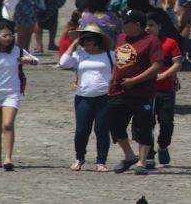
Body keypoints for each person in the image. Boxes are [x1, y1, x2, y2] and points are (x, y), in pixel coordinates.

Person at [108, 10, 164, 176]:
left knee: (143, 128)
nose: (122, 25)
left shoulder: (151, 41)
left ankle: (142, 161)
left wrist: (135, 80)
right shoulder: (120, 38)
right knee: (115, 125)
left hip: (142, 92)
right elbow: (117, 62)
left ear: (137, 25)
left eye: (126, 22)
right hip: (119, 90)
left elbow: (156, 66)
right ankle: (129, 156)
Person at [0, 23, 39, 171]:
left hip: (12, 92)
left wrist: (29, 61)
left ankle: (8, 158)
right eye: (4, 35)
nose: (8, 38)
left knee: (8, 124)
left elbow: (36, 61)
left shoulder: (17, 50)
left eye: (10, 35)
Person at [59, 23, 115, 172]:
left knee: (101, 129)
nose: (86, 42)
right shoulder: (80, 55)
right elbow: (63, 63)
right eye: (84, 39)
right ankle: (79, 157)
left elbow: (121, 69)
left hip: (104, 97)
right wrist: (75, 42)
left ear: (97, 40)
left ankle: (101, 161)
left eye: (89, 39)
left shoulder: (110, 55)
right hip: (83, 97)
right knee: (82, 130)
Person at [144, 11, 183, 167]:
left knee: (166, 122)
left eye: (151, 25)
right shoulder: (141, 44)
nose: (148, 28)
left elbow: (177, 63)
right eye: (145, 25)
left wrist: (165, 75)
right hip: (146, 90)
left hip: (166, 90)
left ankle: (163, 146)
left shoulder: (170, 43)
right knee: (147, 123)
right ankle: (149, 155)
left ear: (159, 26)